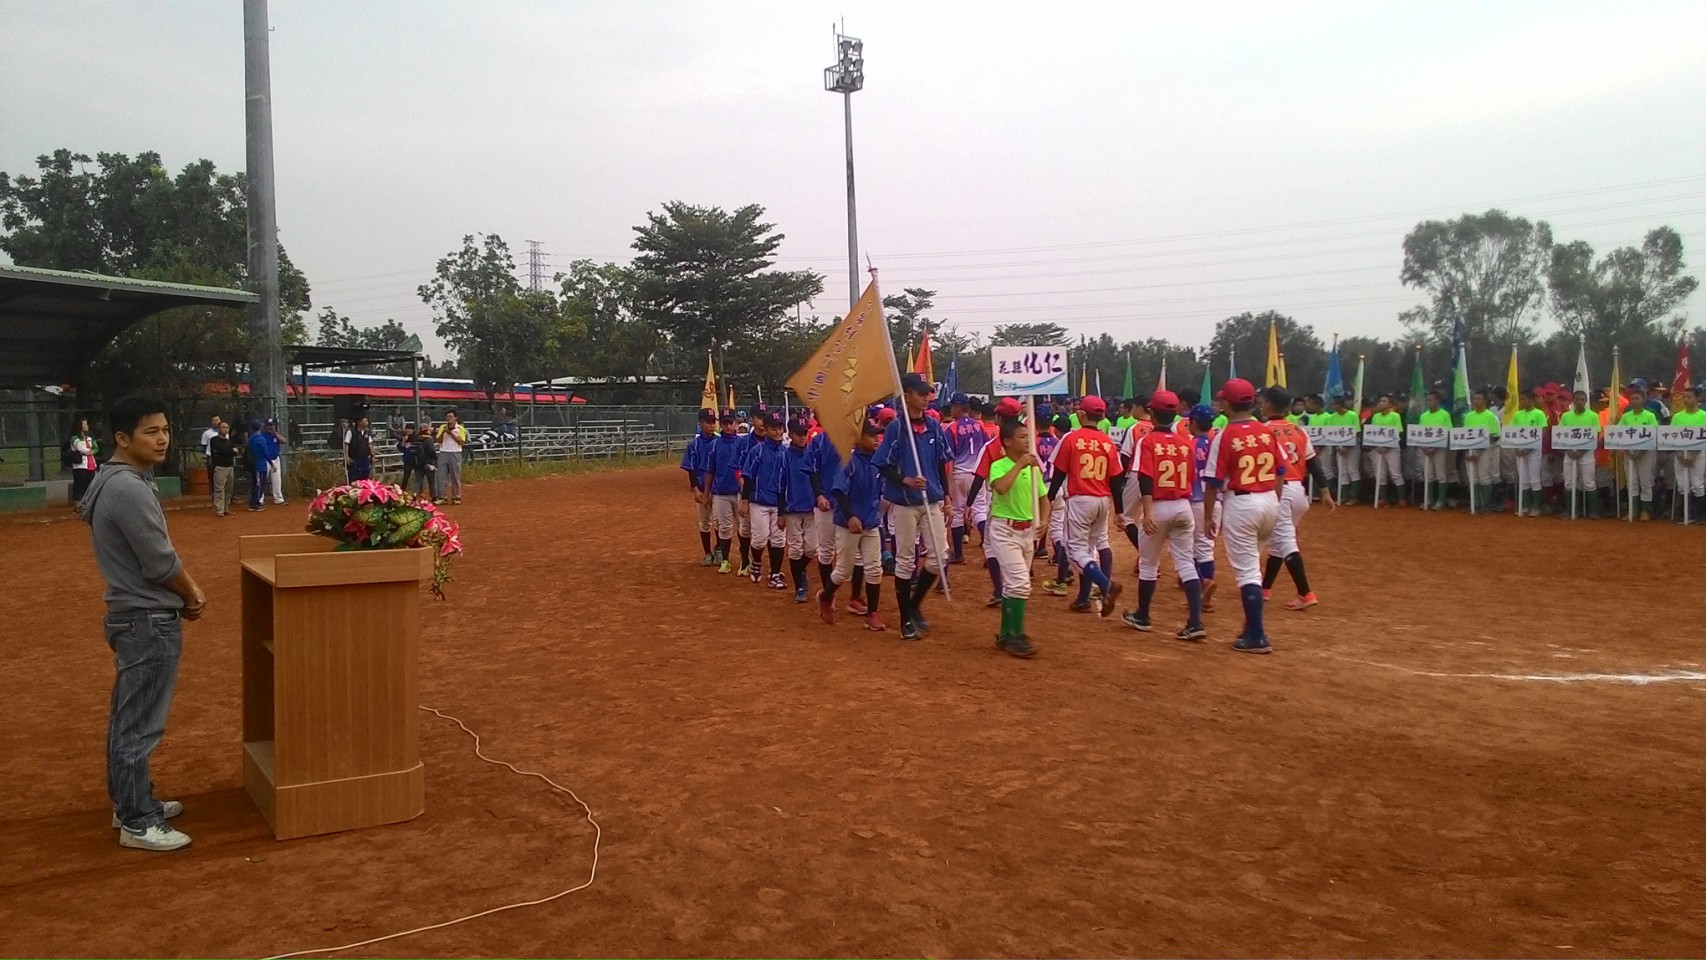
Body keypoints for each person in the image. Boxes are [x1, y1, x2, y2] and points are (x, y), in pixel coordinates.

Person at [78, 392, 207, 851]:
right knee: (139, 724)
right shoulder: (129, 487)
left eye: (165, 429)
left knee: (128, 717)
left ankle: (130, 801)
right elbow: (158, 561)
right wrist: (192, 593)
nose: (162, 439)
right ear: (122, 438)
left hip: (132, 616)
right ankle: (137, 821)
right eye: (151, 431)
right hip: (148, 618)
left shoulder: (113, 479)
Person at [1201, 379, 1281, 654]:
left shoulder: (1225, 435)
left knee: (1247, 571)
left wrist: (1208, 517)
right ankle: (1250, 628)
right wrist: (1274, 501)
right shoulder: (1266, 431)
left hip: (1242, 503)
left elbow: (1213, 482)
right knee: (1253, 566)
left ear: (1227, 403)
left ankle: (1257, 635)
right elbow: (1280, 471)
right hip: (1269, 499)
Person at [1120, 390, 1205, 641]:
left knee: (1148, 564)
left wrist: (1146, 512)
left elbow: (1145, 478)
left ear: (1152, 413)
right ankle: (1195, 622)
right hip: (1183, 505)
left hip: (1158, 506)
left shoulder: (1147, 441)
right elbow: (1191, 477)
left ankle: (1143, 616)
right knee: (1186, 563)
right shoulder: (1185, 442)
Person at [873, 372, 951, 641]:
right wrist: (905, 479)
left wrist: (947, 497)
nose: (926, 398)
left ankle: (914, 604)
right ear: (906, 396)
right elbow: (882, 464)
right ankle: (905, 619)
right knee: (906, 561)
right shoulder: (897, 428)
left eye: (927, 393)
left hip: (931, 499)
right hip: (905, 503)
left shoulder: (934, 426)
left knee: (940, 556)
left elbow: (941, 463)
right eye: (920, 393)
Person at [1046, 394, 1124, 618]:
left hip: (1080, 500)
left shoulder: (1071, 438)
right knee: (1088, 550)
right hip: (1102, 500)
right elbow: (1116, 480)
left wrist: (1049, 498)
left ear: (1081, 414)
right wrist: (1119, 511)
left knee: (1076, 552)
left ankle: (1106, 585)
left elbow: (1059, 473)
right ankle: (1082, 599)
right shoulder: (1107, 442)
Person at [1261, 387, 1333, 610]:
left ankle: (1305, 593)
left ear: (1269, 405)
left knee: (1285, 541)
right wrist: (1324, 490)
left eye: (1263, 401)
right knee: (1278, 543)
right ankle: (1265, 588)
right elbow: (1312, 462)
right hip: (1299, 492)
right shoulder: (1298, 430)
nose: (1261, 405)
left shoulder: (1263, 430)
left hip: (1280, 491)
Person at [987, 418, 1046, 658]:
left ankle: (1006, 634)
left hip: (1027, 531)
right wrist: (1020, 465)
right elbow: (1001, 488)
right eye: (1022, 437)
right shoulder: (999, 465)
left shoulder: (1033, 468)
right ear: (1008, 441)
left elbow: (1044, 498)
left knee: (1014, 584)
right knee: (1020, 584)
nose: (1027, 440)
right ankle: (1016, 636)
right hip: (1005, 529)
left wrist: (1044, 520)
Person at [820, 419, 886, 631]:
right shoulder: (849, 461)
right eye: (871, 435)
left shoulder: (877, 462)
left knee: (874, 569)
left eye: (877, 435)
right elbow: (839, 491)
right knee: (843, 570)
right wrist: (850, 517)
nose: (877, 439)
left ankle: (872, 614)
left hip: (871, 522)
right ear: (858, 438)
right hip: (848, 524)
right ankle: (826, 596)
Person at [740, 412, 790, 589]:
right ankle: (756, 562)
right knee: (760, 539)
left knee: (778, 539)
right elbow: (748, 476)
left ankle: (775, 574)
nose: (778, 432)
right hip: (759, 501)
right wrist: (745, 500)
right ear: (766, 429)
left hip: (779, 503)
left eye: (780, 428)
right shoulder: (758, 451)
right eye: (774, 428)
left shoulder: (786, 452)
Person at [780, 419, 821, 602]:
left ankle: (799, 570)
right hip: (792, 508)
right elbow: (780, 486)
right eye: (799, 434)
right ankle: (800, 587)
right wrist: (780, 512)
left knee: (812, 549)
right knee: (795, 549)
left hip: (811, 507)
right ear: (790, 435)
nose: (803, 437)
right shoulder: (784, 456)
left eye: (805, 433)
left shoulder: (813, 454)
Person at [703, 410, 745, 573]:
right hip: (721, 492)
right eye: (725, 423)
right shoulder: (714, 445)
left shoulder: (743, 443)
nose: (728, 426)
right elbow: (709, 470)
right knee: (725, 527)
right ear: (720, 424)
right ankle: (725, 560)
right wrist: (706, 493)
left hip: (740, 492)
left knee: (744, 528)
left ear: (736, 424)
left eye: (731, 423)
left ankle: (746, 561)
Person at [682, 409, 719, 565]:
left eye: (713, 422)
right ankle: (707, 553)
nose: (711, 425)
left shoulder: (719, 441)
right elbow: (691, 469)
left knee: (719, 522)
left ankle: (719, 549)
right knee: (704, 522)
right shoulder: (694, 445)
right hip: (703, 488)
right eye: (708, 422)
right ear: (700, 423)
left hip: (718, 489)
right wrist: (695, 489)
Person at [1618, 386, 1660, 521]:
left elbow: (1654, 435)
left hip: (1646, 453)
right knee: (1631, 482)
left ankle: (1645, 511)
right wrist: (1626, 451)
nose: (1634, 401)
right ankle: (1633, 510)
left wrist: (1641, 452)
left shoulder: (1650, 416)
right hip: (1629, 453)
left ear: (1643, 400)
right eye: (1632, 399)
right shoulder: (1626, 416)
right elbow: (1619, 434)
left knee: (1645, 481)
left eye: (1637, 398)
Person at [1558, 390, 1599, 519]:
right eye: (1577, 399)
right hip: (1569, 452)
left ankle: (1593, 511)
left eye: (1582, 399)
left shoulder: (1593, 416)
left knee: (1588, 482)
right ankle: (1569, 510)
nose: (1579, 402)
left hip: (1586, 452)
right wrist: (1568, 450)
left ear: (1586, 401)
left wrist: (1581, 451)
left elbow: (1595, 435)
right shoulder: (1566, 416)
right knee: (1568, 482)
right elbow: (1560, 435)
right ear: (1573, 401)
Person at [1509, 391, 1549, 517]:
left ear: (1531, 400)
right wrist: (1516, 448)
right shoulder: (1517, 414)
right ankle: (1526, 505)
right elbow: (1511, 431)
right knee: (1524, 479)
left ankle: (1536, 507)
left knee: (1534, 478)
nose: (1521, 402)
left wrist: (1530, 447)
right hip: (1519, 450)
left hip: (1534, 450)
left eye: (1523, 399)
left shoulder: (1539, 414)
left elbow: (1543, 431)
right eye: (1520, 399)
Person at [1671, 387, 1706, 523]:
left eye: (1689, 397)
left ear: (1697, 398)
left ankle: (1699, 516)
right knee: (1682, 485)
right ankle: (1685, 514)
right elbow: (1670, 437)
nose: (1686, 399)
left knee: (1697, 485)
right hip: (1680, 455)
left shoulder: (1703, 416)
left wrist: (1693, 455)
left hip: (1698, 454)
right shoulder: (1677, 417)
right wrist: (1679, 454)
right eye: (1684, 397)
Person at [1462, 392, 1500, 514]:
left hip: (1486, 450)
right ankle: (1476, 503)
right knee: (1473, 478)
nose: (1476, 401)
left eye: (1479, 399)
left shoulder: (1491, 417)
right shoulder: (1469, 416)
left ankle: (1486, 504)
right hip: (1470, 449)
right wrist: (1466, 451)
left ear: (1485, 401)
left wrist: (1479, 452)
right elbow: (1464, 435)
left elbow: (1493, 436)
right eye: (1475, 399)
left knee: (1484, 477)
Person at [1417, 391, 1454, 510]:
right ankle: (1428, 499)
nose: (1428, 402)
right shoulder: (1423, 416)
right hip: (1425, 449)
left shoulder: (1444, 415)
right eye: (1427, 400)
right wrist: (1424, 447)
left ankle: (1440, 501)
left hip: (1439, 449)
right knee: (1428, 474)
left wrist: (1434, 448)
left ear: (1437, 401)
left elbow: (1448, 432)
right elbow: (1419, 433)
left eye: (1430, 400)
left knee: (1440, 474)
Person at [1367, 395, 1405, 506]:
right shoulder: (1375, 416)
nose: (1381, 403)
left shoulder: (1395, 416)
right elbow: (1372, 433)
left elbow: (1398, 433)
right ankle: (1384, 498)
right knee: (1380, 474)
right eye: (1380, 401)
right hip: (1377, 449)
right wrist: (1377, 446)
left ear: (1390, 404)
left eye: (1384, 401)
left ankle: (1402, 499)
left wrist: (1387, 447)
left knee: (1395, 473)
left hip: (1392, 448)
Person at [435, 410, 468, 504]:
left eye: (450, 416)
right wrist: (444, 432)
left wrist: (451, 433)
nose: (448, 418)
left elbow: (462, 442)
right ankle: (442, 497)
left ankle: (456, 497)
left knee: (455, 476)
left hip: (455, 453)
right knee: (441, 476)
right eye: (447, 416)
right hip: (444, 452)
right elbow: (438, 440)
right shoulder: (442, 427)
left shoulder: (460, 428)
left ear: (455, 418)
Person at [208, 420, 236, 516]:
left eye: (227, 428)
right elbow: (222, 450)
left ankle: (226, 508)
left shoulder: (229, 441)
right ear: (219, 429)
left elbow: (235, 452)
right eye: (223, 427)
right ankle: (219, 509)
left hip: (230, 467)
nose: (225, 429)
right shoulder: (214, 440)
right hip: (220, 467)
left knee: (229, 489)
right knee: (219, 489)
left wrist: (230, 451)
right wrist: (231, 451)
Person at [70, 417, 100, 504]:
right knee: (79, 485)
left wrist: (91, 451)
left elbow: (96, 448)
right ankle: (77, 503)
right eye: (85, 424)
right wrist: (91, 451)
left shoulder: (90, 438)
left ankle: (86, 503)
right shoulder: (75, 438)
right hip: (80, 465)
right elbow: (81, 449)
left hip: (91, 465)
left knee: (89, 485)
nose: (87, 426)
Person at [246, 420, 272, 512]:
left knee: (256, 483)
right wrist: (271, 463)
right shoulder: (260, 439)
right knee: (259, 484)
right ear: (260, 427)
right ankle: (254, 504)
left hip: (254, 464)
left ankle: (255, 502)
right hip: (259, 465)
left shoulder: (251, 438)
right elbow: (265, 452)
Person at [412, 420, 439, 501]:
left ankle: (415, 493)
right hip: (428, 462)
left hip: (418, 463)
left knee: (418, 480)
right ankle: (433, 496)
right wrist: (435, 459)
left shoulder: (416, 438)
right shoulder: (429, 439)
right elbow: (431, 451)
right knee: (431, 480)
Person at [260, 418, 285, 504]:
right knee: (262, 480)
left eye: (272, 425)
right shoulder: (262, 436)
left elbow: (284, 441)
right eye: (268, 425)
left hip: (275, 459)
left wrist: (274, 433)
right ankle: (260, 499)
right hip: (265, 460)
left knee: (277, 480)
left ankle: (278, 498)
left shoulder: (275, 435)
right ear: (265, 426)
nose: (270, 427)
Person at [343, 415, 375, 483]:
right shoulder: (351, 431)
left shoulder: (367, 432)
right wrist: (347, 456)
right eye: (365, 420)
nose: (367, 422)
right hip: (354, 458)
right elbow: (346, 444)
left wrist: (372, 455)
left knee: (365, 477)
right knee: (354, 477)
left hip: (365, 458)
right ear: (360, 422)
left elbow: (370, 444)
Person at [198, 415, 221, 494]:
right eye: (213, 420)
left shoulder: (225, 432)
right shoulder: (206, 433)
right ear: (211, 422)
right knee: (212, 475)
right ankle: (213, 492)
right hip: (212, 457)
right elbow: (203, 447)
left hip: (224, 457)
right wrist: (210, 453)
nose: (216, 422)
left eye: (217, 420)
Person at [397, 423, 420, 493]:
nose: (408, 430)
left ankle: (419, 491)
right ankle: (403, 490)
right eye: (407, 429)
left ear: (413, 430)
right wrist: (404, 440)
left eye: (410, 429)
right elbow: (401, 448)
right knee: (406, 475)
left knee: (418, 476)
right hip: (407, 459)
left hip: (416, 459)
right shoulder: (403, 437)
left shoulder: (416, 437)